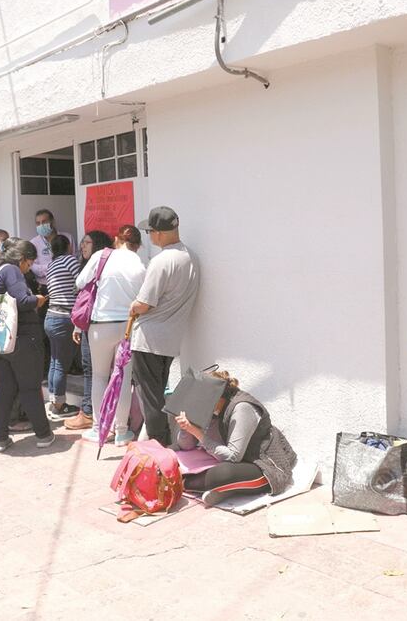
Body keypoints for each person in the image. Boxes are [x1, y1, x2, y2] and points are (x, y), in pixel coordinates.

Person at [129, 206, 200, 447]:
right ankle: (162, 441)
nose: (148, 237)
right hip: (170, 340)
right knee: (158, 394)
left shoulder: (161, 261)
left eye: (149, 232)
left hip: (149, 338)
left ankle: (159, 447)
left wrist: (133, 306)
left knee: (150, 397)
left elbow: (145, 303)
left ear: (157, 233)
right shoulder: (190, 256)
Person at [174, 370, 297, 505]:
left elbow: (233, 457)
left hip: (261, 463)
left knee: (222, 474)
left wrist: (197, 432)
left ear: (216, 397)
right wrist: (186, 428)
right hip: (233, 460)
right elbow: (186, 446)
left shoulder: (242, 407)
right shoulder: (212, 409)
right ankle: (226, 489)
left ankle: (188, 483)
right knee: (176, 454)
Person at [69, 226, 146, 442]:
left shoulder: (102, 256)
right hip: (128, 326)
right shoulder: (140, 264)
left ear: (116, 239)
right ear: (137, 245)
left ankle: (99, 427)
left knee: (100, 376)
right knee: (122, 378)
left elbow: (80, 282)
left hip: (100, 324)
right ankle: (122, 431)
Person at [0, 239, 55, 452]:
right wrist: (38, 299)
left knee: (2, 390)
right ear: (22, 260)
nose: (28, 268)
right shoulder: (11, 271)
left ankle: (0, 438)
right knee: (30, 388)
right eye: (29, 264)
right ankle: (43, 435)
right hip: (20, 339)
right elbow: (22, 300)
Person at [66, 229, 116, 430]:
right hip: (89, 323)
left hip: (99, 324)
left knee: (92, 368)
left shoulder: (99, 265)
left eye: (87, 242)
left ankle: (88, 412)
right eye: (82, 242)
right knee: (91, 368)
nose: (82, 246)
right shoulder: (87, 265)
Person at [42, 235, 82, 420]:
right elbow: (81, 283)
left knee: (55, 360)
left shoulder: (51, 265)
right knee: (61, 363)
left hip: (51, 317)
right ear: (69, 247)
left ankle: (53, 401)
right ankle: (58, 406)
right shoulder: (70, 260)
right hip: (65, 318)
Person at [29, 209, 74, 286]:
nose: (41, 225)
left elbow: (74, 258)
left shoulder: (67, 237)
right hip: (45, 286)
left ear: (52, 222)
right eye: (38, 223)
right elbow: (33, 267)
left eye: (44, 222)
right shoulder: (33, 243)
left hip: (67, 284)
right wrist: (55, 267)